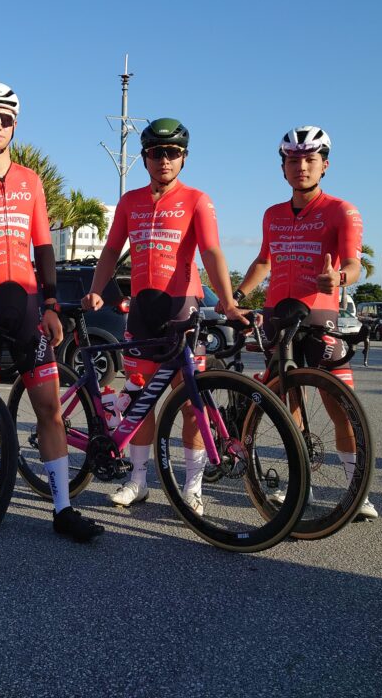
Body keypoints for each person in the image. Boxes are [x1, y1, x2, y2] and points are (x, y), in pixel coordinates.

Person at [0, 81, 103, 542]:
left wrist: (50, 303)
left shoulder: (31, 181)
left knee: (50, 409)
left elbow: (44, 246)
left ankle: (63, 507)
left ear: (15, 124)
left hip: (29, 307)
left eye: (4, 118)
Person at [82, 118, 246, 512]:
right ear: (144, 158)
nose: (164, 160)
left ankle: (192, 488)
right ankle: (138, 481)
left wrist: (227, 301)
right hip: (142, 311)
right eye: (157, 153)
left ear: (184, 157)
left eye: (172, 153)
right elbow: (110, 250)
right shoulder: (130, 202)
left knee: (191, 404)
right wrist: (96, 290)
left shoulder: (197, 200)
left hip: (182, 309)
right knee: (139, 401)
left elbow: (211, 252)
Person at [234, 125, 377, 520]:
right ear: (283, 167)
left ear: (324, 165)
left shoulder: (341, 210)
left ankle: (357, 490)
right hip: (278, 316)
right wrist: (237, 297)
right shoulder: (273, 214)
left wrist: (339, 278)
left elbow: (353, 263)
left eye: (310, 160)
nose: (302, 167)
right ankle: (302, 485)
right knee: (289, 406)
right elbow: (264, 261)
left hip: (319, 316)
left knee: (340, 406)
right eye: (293, 160)